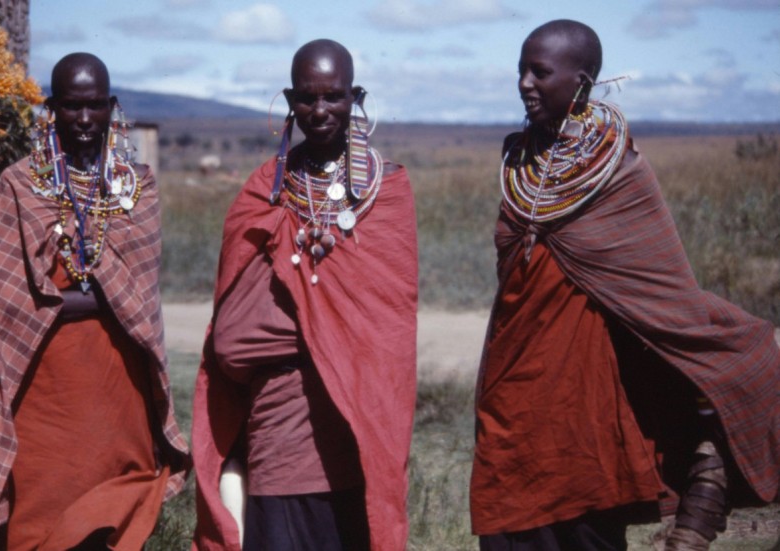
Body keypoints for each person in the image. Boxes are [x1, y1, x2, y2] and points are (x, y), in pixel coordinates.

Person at [470, 19, 780, 551]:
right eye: (520, 70)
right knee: (506, 511)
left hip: (586, 394)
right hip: (511, 381)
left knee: (584, 519)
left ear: (582, 83)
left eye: (539, 72)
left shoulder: (620, 174)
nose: (524, 83)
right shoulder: (519, 160)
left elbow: (665, 294)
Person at [192, 39, 418, 551]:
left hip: (354, 426)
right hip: (278, 431)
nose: (320, 110)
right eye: (308, 98)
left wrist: (315, 333)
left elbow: (388, 334)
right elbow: (232, 339)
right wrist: (323, 336)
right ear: (290, 100)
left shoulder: (385, 193)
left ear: (356, 98)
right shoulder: (263, 192)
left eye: (333, 96)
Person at [0, 52, 190, 549]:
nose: (85, 119)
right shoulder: (19, 185)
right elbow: (5, 300)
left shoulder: (138, 187)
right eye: (71, 106)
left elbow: (140, 295)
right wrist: (101, 297)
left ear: (112, 107)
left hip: (119, 383)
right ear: (52, 109)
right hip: (45, 386)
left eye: (95, 106)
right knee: (42, 508)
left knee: (116, 502)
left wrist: (71, 297)